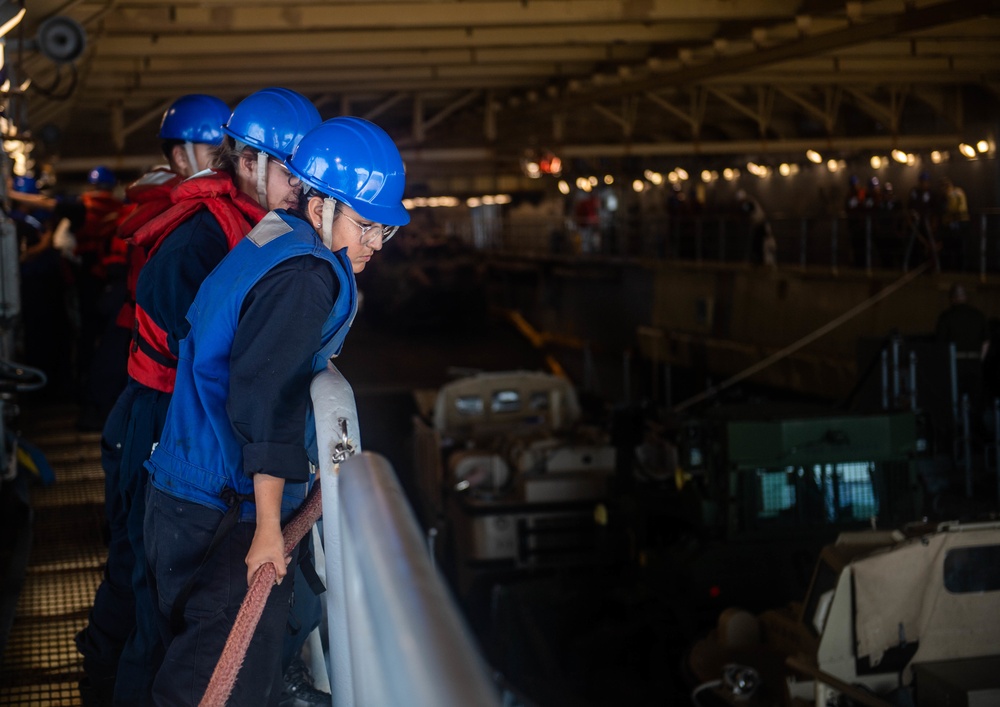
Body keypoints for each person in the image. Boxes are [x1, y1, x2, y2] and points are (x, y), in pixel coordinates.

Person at [143, 116, 408, 706]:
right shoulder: (305, 277)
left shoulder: (275, 236)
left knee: (199, 669)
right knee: (212, 689)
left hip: (188, 489)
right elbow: (268, 403)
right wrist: (267, 530)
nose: (372, 245)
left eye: (384, 231)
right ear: (322, 206)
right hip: (224, 506)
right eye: (366, 225)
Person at [75, 93, 232, 707]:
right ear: (180, 153)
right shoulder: (189, 229)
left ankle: (108, 679)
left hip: (154, 401)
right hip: (155, 406)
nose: (225, 161)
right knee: (142, 565)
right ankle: (110, 686)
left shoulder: (186, 214)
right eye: (214, 150)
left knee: (141, 562)